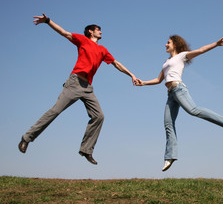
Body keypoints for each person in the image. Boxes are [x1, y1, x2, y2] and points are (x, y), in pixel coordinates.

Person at [18, 13, 139, 165]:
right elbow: (64, 33)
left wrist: (131, 75)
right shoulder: (83, 41)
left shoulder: (102, 50)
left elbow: (116, 64)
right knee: (55, 111)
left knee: (99, 116)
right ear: (90, 31)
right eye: (98, 29)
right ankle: (26, 138)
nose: (101, 32)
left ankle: (86, 150)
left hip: (88, 88)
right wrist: (48, 21)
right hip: (75, 83)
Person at [137, 35, 223, 171]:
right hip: (170, 94)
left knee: (193, 110)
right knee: (168, 123)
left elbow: (201, 50)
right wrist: (143, 83)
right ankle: (170, 156)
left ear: (175, 44)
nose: (166, 45)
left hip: (179, 89)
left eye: (168, 42)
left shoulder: (182, 56)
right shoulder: (166, 62)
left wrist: (216, 44)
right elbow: (158, 79)